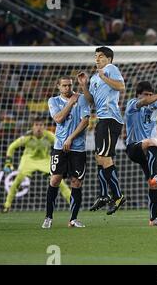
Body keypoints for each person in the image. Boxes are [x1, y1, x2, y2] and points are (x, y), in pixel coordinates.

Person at [77, 46, 126, 215]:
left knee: (104, 157)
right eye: (96, 56)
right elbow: (91, 101)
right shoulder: (95, 77)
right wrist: (84, 86)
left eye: (101, 57)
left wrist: (104, 77)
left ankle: (117, 196)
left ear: (109, 59)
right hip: (101, 119)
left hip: (110, 119)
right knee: (99, 157)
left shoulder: (111, 69)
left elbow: (121, 86)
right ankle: (104, 195)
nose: (97, 59)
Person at [124, 73, 157, 226]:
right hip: (134, 148)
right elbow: (144, 102)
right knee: (153, 141)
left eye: (151, 94)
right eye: (146, 95)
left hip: (147, 150)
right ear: (138, 95)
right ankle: (156, 174)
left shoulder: (153, 106)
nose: (149, 97)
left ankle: (154, 218)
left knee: (153, 185)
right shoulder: (132, 104)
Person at [42, 76, 90, 229]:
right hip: (59, 147)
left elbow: (85, 121)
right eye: (64, 86)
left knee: (76, 182)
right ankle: (48, 217)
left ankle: (73, 219)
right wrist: (70, 102)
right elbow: (58, 118)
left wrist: (70, 138)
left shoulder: (82, 98)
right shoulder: (53, 101)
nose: (67, 88)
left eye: (69, 85)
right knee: (55, 180)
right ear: (58, 86)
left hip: (78, 147)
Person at [2, 116, 71, 213]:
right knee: (17, 182)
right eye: (36, 125)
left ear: (44, 127)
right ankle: (7, 205)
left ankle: (72, 203)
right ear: (32, 127)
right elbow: (12, 147)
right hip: (28, 160)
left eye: (41, 125)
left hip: (45, 161)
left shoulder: (49, 135)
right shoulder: (26, 137)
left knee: (60, 182)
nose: (39, 128)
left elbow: (61, 145)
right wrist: (8, 162)